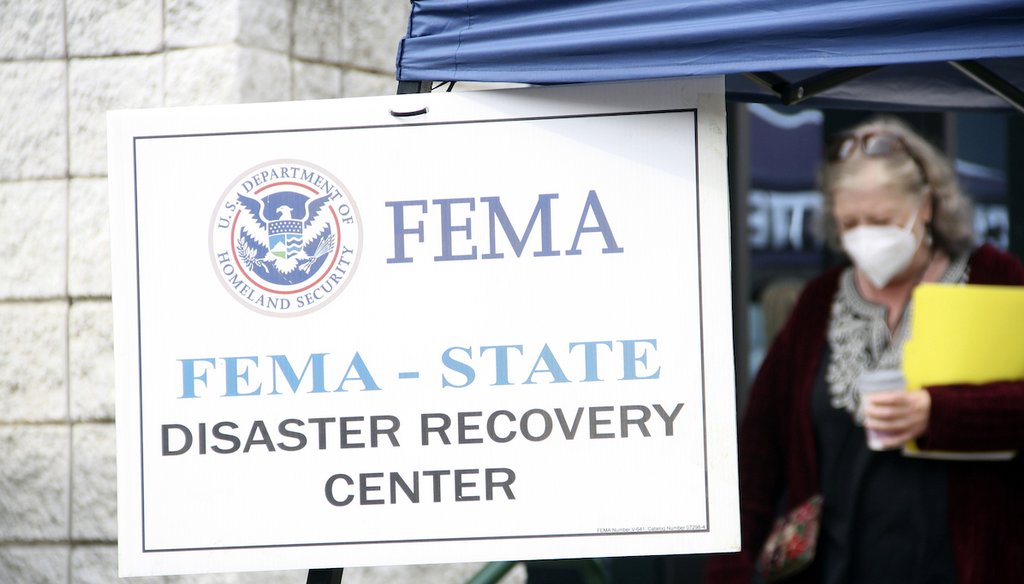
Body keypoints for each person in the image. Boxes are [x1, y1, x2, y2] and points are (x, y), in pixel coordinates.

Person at [705, 117, 1024, 584]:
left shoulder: (994, 276)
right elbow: (760, 445)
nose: (865, 236)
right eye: (850, 222)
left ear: (927, 206)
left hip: (964, 562)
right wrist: (729, 564)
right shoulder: (819, 300)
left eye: (883, 221)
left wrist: (941, 412)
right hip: (836, 566)